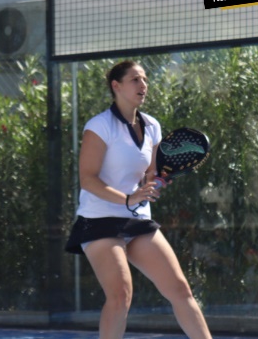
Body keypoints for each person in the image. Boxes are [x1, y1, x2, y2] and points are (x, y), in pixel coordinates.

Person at [65, 60, 212, 339]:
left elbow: (151, 174)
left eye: (144, 79)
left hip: (136, 219)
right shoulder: (99, 126)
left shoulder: (152, 126)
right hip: (99, 221)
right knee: (121, 295)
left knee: (181, 290)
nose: (143, 84)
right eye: (135, 79)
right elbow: (88, 179)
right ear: (116, 86)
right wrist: (128, 198)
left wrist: (154, 184)